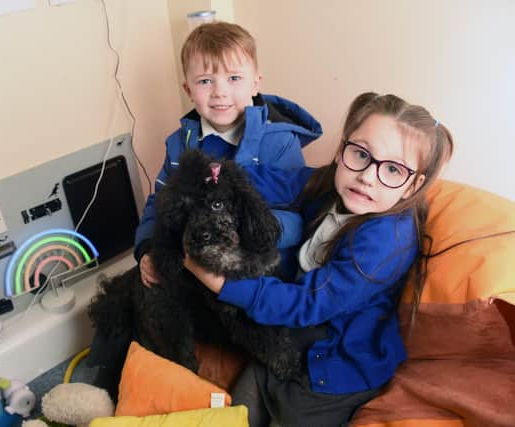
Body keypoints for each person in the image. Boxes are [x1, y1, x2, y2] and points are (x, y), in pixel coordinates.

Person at [85, 21, 322, 403]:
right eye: (205, 81)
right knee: (135, 286)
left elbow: (298, 220)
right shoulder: (181, 145)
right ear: (188, 90)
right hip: (192, 260)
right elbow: (156, 206)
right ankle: (102, 381)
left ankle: (196, 381)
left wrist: (237, 240)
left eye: (233, 77)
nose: (220, 92)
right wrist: (148, 250)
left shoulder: (278, 144)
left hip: (249, 264)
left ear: (255, 83)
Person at [184, 92, 454, 426]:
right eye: (360, 154)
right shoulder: (332, 183)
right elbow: (277, 182)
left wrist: (223, 283)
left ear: (413, 186)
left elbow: (310, 302)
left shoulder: (387, 240)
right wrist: (216, 176)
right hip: (295, 339)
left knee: (289, 413)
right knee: (238, 409)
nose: (368, 176)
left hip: (339, 364)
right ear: (342, 150)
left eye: (394, 170)